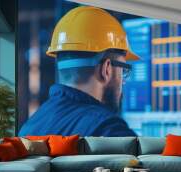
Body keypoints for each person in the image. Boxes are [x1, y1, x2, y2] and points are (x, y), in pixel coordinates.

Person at [19, 6, 140, 137]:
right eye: (123, 72)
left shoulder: (30, 127)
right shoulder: (109, 131)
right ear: (106, 69)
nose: (123, 82)